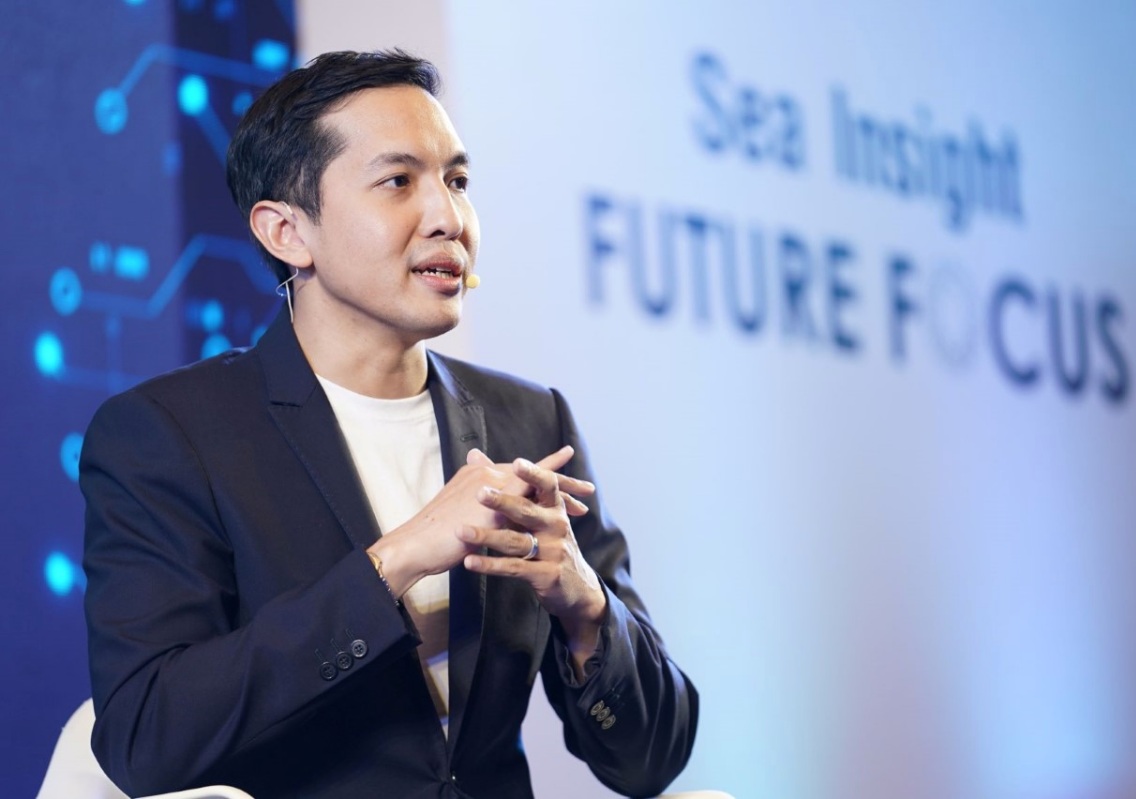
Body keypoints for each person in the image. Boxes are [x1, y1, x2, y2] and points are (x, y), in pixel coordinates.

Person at [81, 49, 697, 799]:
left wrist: (586, 607)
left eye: (457, 181)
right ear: (286, 232)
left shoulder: (530, 421)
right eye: (399, 181)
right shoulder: (168, 435)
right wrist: (396, 560)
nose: (449, 218)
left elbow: (652, 760)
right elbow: (146, 738)